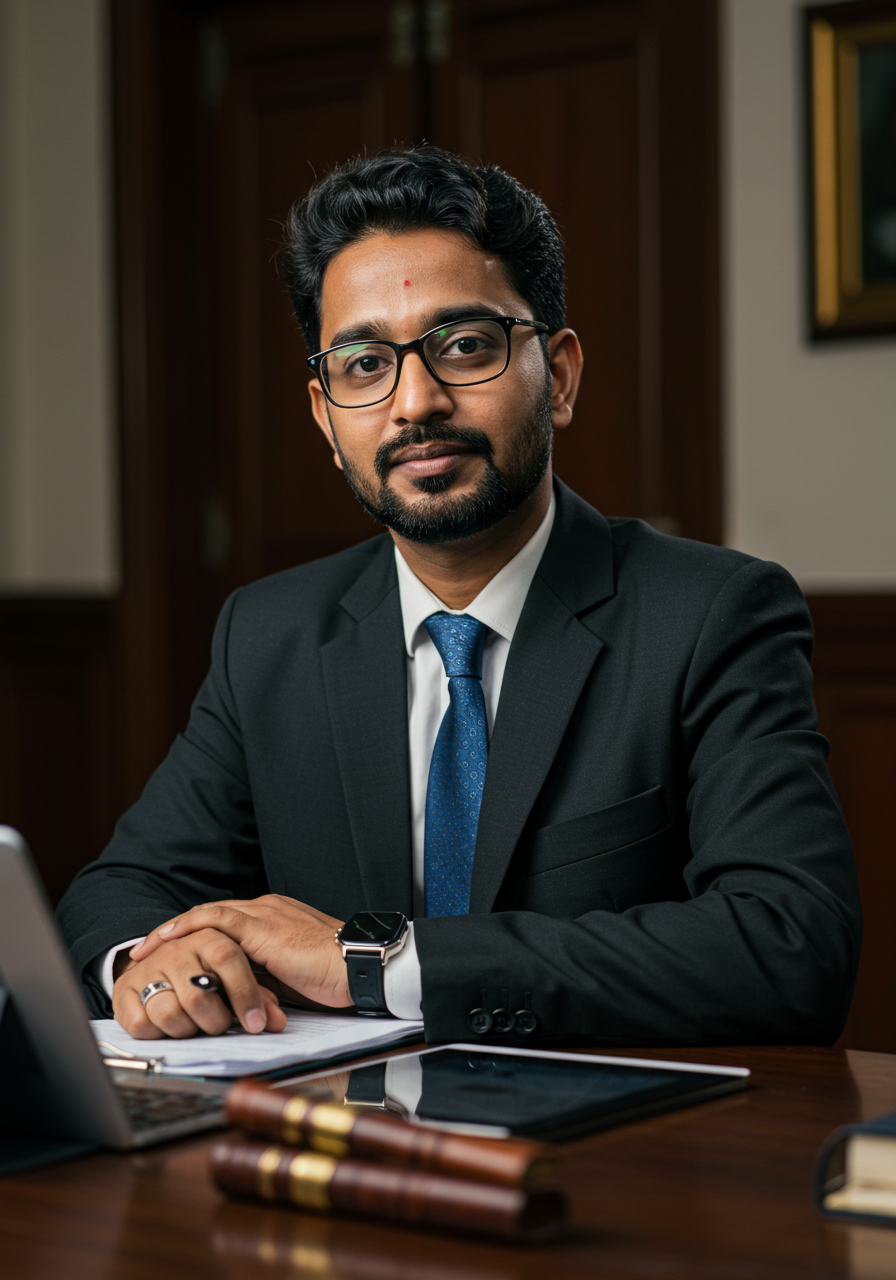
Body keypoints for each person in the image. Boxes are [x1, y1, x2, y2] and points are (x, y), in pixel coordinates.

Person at [57, 146, 861, 1047]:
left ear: (556, 377)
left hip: (616, 1153)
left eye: (465, 346)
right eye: (364, 364)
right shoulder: (270, 634)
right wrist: (149, 965)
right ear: (326, 419)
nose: (415, 402)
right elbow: (119, 892)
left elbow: (792, 944)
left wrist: (379, 962)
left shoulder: (712, 615)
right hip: (339, 1137)